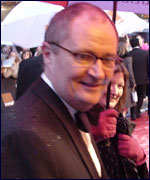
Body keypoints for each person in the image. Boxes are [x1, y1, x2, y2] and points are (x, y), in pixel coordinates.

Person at [2, 3, 120, 179]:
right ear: (48, 54)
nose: (99, 73)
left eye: (108, 59)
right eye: (83, 56)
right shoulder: (24, 138)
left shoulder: (74, 109)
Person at [87, 62, 148, 179]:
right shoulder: (77, 120)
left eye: (120, 86)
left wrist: (140, 158)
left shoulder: (120, 123)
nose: (115, 92)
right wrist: (91, 135)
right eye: (109, 84)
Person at [129, 37, 149, 118]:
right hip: (143, 78)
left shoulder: (129, 54)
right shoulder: (145, 53)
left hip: (132, 79)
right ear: (138, 44)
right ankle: (137, 112)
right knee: (140, 96)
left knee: (133, 97)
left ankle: (133, 112)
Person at [117, 41, 137, 120]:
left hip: (118, 82)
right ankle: (123, 122)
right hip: (127, 83)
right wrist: (133, 82)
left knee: (120, 104)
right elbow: (130, 72)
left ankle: (121, 120)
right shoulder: (128, 58)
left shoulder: (116, 58)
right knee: (125, 105)